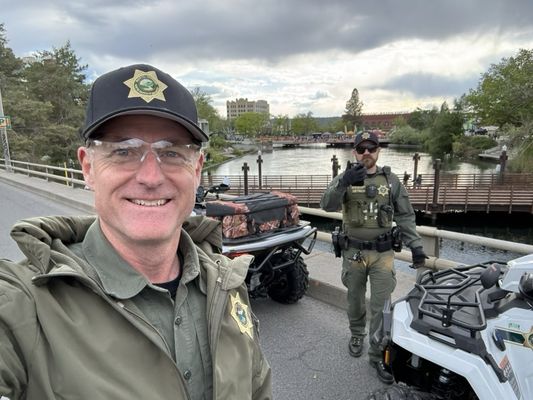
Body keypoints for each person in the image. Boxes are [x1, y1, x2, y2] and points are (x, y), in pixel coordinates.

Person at [0, 64, 272, 399]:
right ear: (88, 168)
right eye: (123, 151)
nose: (151, 177)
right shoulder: (23, 307)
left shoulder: (226, 284)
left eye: (171, 152)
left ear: (197, 169)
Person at [320, 131, 427, 384]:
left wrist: (417, 246)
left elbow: (405, 216)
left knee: (382, 305)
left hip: (383, 254)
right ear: (355, 152)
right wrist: (344, 180)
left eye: (371, 148)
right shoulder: (345, 178)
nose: (366, 152)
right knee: (355, 299)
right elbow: (326, 204)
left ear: (379, 150)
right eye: (361, 148)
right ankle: (357, 334)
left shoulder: (390, 181)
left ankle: (377, 353)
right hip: (353, 252)